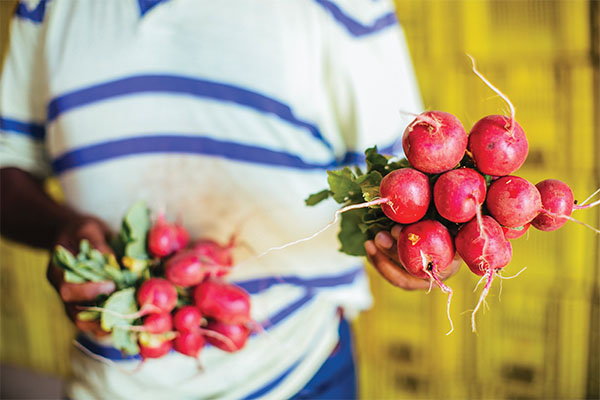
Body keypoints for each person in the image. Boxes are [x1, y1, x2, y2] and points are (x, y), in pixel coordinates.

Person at [0, 0, 459, 398]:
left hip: (297, 371)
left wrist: (425, 242)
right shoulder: (47, 6)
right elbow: (7, 170)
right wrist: (62, 232)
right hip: (106, 379)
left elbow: (409, 174)